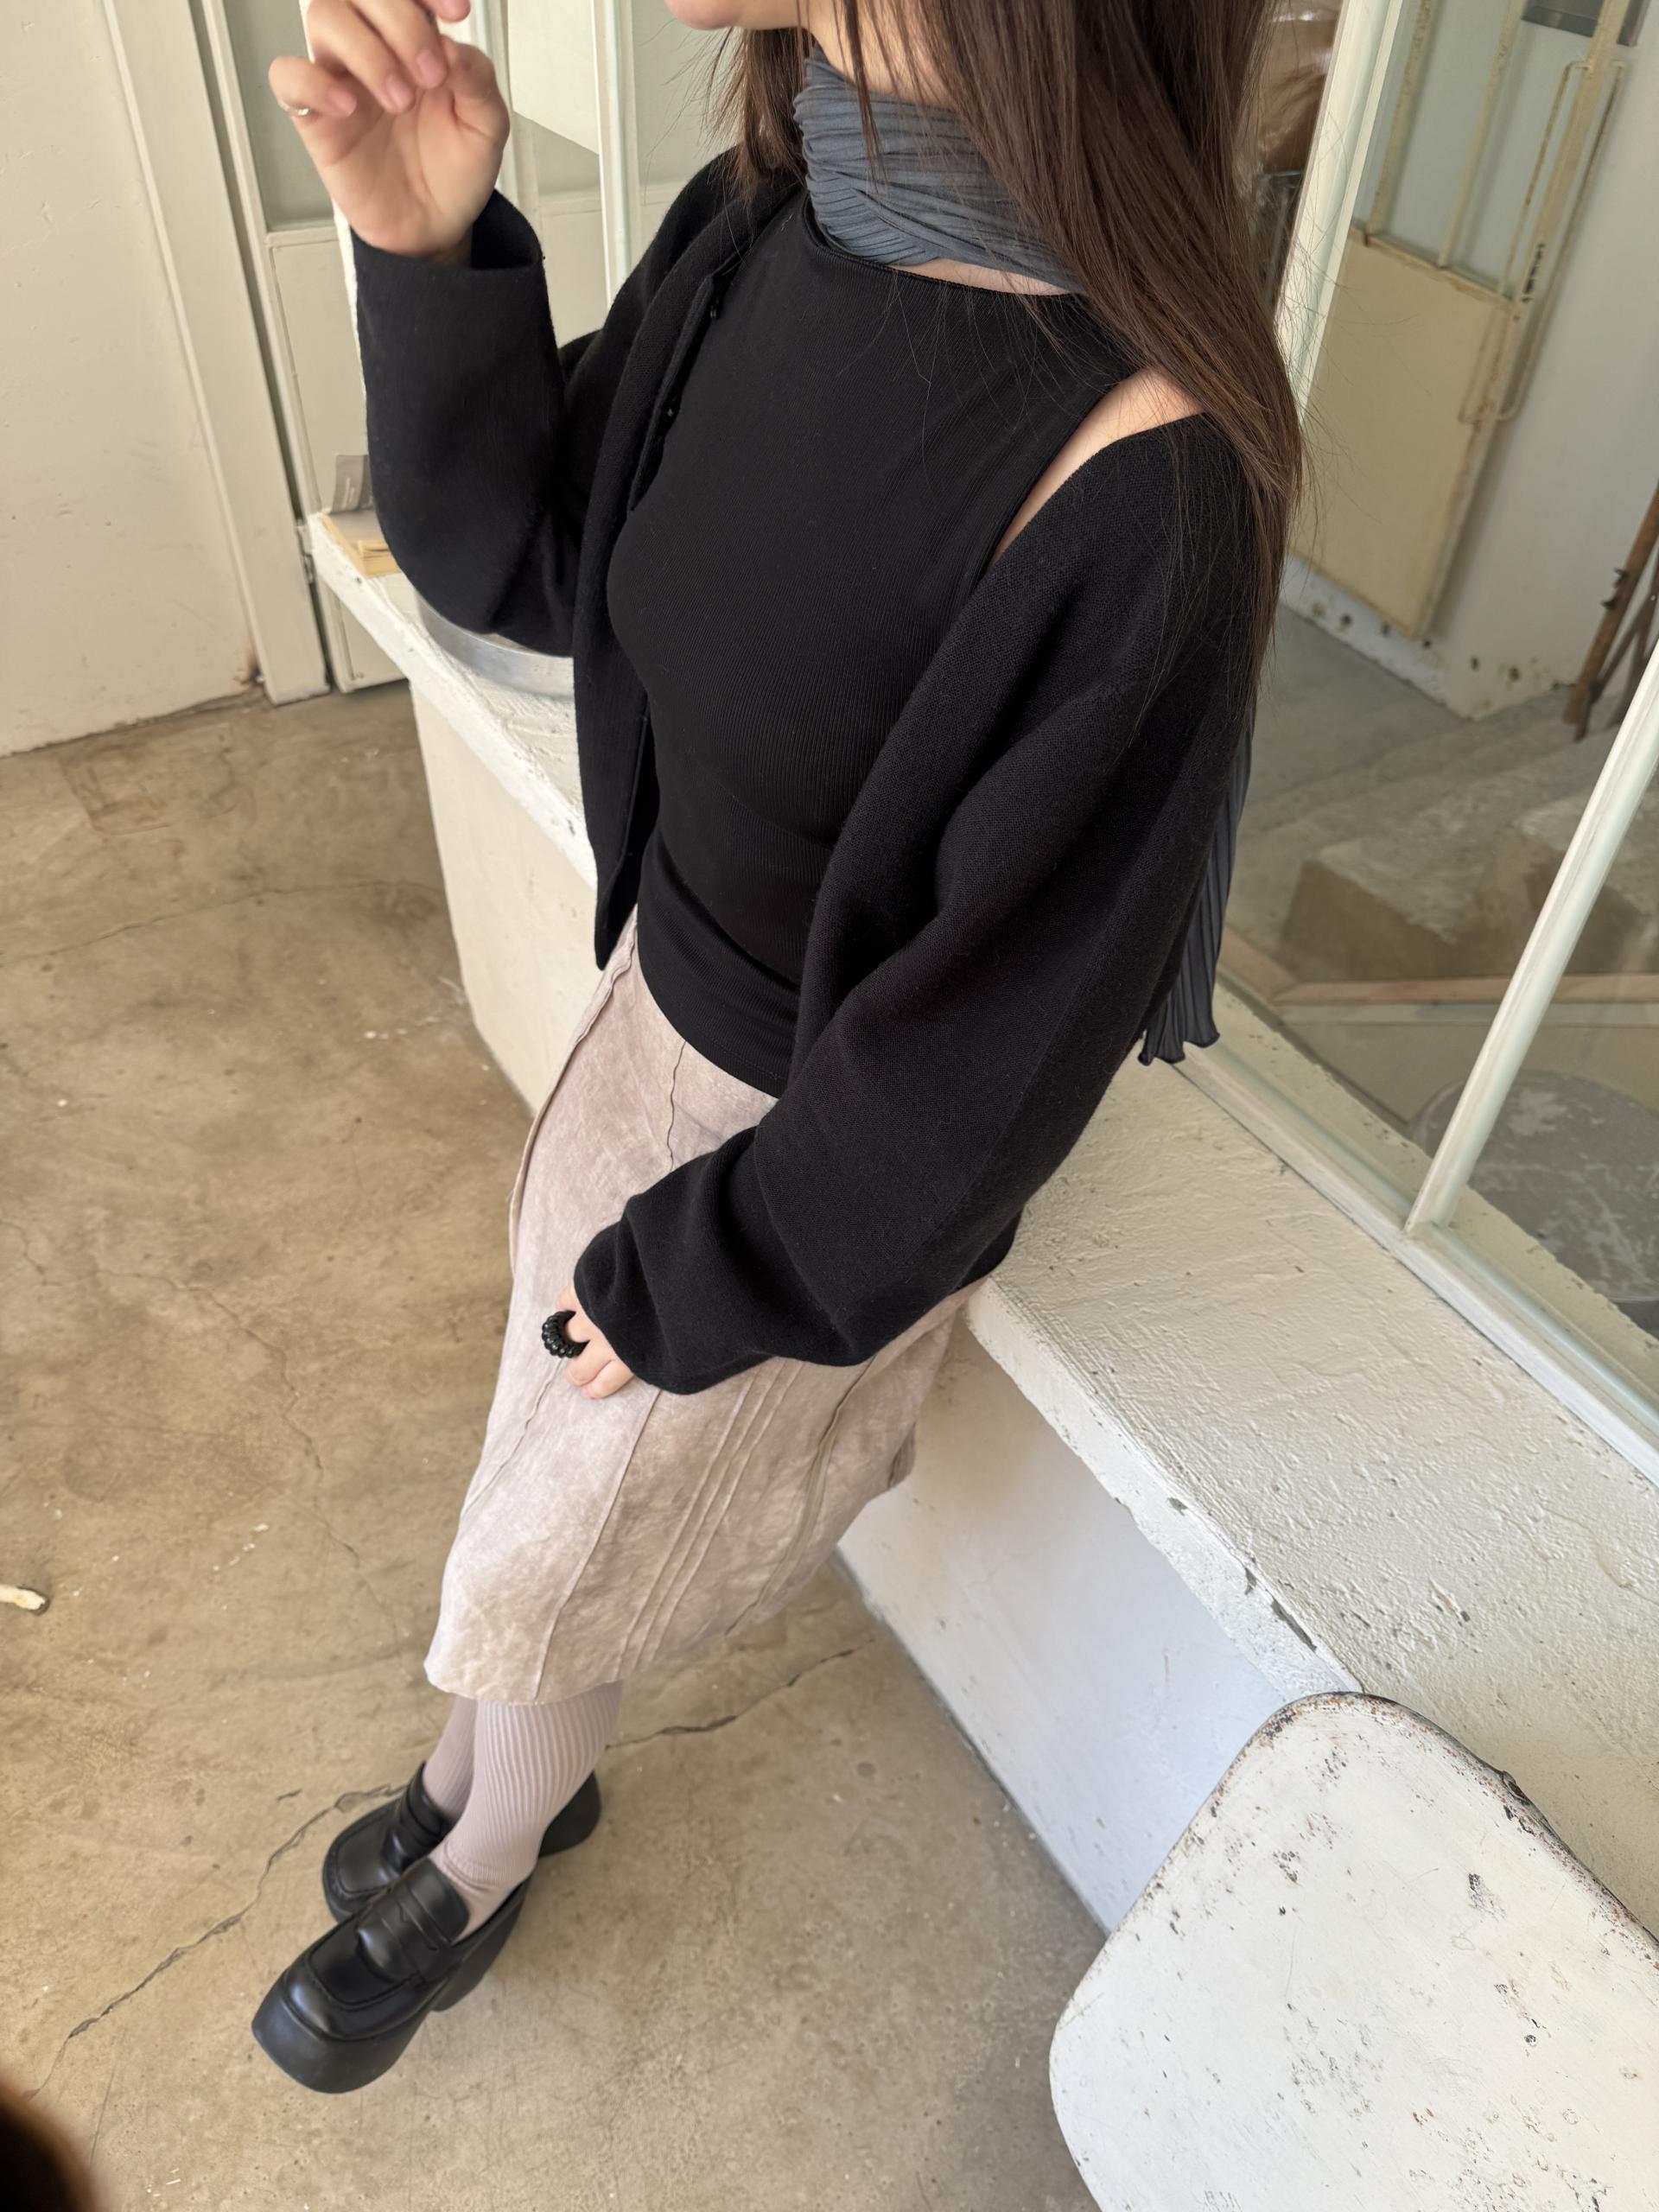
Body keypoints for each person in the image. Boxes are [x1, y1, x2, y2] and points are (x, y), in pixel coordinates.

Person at [252, 0, 1300, 2094]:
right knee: (549, 1492)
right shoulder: (776, 217)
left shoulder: (1147, 478)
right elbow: (537, 558)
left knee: (566, 1546)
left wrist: (711, 1264)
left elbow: (981, 1073)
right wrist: (426, 251)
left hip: (796, 1167)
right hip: (641, 1037)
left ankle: (480, 1844)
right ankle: (503, 1776)